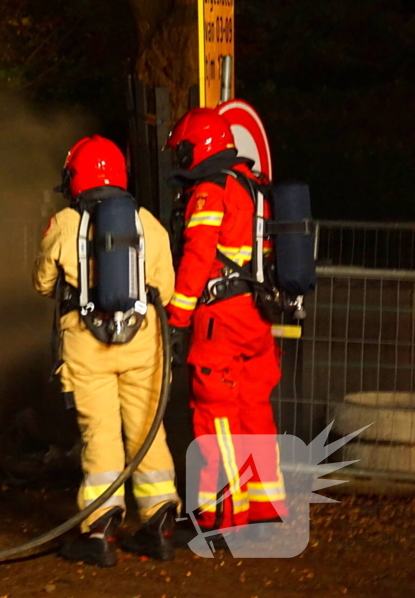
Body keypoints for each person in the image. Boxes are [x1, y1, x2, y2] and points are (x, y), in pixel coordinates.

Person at [34, 135, 180, 567]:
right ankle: (160, 524)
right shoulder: (148, 223)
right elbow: (167, 291)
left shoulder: (63, 223)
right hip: (144, 344)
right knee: (146, 429)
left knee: (101, 435)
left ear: (74, 177)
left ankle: (99, 531)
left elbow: (42, 283)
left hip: (86, 346)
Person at [165, 108, 287, 538]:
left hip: (221, 317)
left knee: (215, 414)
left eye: (182, 150)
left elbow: (198, 258)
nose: (180, 160)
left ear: (200, 146)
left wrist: (176, 317)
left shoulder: (210, 190)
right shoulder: (255, 187)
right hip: (258, 316)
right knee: (254, 410)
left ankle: (218, 517)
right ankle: (264, 507)